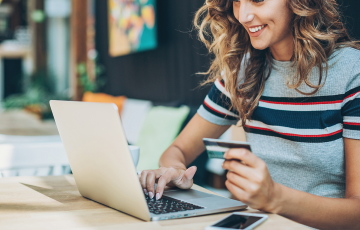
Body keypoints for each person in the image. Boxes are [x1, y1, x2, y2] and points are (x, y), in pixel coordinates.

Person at [139, 0, 360, 229]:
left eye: (257, 0)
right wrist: (175, 170)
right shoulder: (242, 73)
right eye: (236, 2)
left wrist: (275, 198)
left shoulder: (352, 71)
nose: (243, 16)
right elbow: (177, 150)